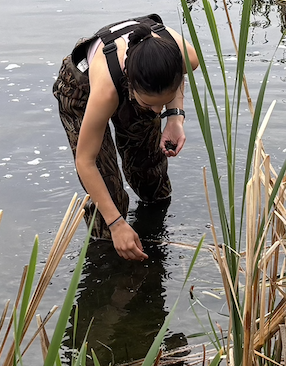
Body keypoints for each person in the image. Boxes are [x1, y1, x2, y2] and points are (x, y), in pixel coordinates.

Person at [53, 14, 199, 262]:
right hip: (82, 89)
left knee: (151, 177)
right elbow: (85, 162)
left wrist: (174, 117)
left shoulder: (187, 57)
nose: (156, 113)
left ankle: (152, 255)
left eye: (161, 104)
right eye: (151, 105)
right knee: (107, 198)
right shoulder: (107, 91)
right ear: (130, 86)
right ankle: (109, 262)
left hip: (144, 79)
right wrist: (117, 223)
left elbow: (174, 82)